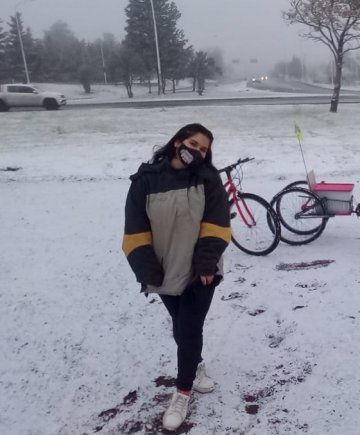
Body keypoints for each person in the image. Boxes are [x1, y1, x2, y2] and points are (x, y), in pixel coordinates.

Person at [122, 123, 231, 431]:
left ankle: (182, 392)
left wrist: (207, 264)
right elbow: (135, 228)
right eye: (193, 143)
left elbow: (217, 225)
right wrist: (146, 270)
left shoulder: (208, 179)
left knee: (189, 326)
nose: (198, 151)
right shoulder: (145, 180)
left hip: (201, 272)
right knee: (182, 329)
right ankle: (195, 366)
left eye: (204, 149)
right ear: (178, 142)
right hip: (165, 271)